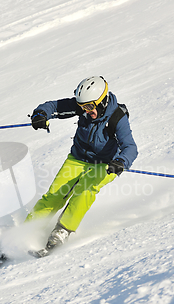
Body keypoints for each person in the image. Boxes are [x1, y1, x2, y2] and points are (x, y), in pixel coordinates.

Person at [25, 76, 138, 255]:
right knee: (55, 194)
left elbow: (130, 147)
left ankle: (62, 231)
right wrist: (41, 114)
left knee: (85, 190)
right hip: (78, 159)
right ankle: (27, 230)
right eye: (83, 107)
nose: (86, 111)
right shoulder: (83, 107)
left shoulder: (117, 117)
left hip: (106, 164)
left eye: (90, 107)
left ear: (101, 102)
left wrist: (121, 161)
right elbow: (53, 106)